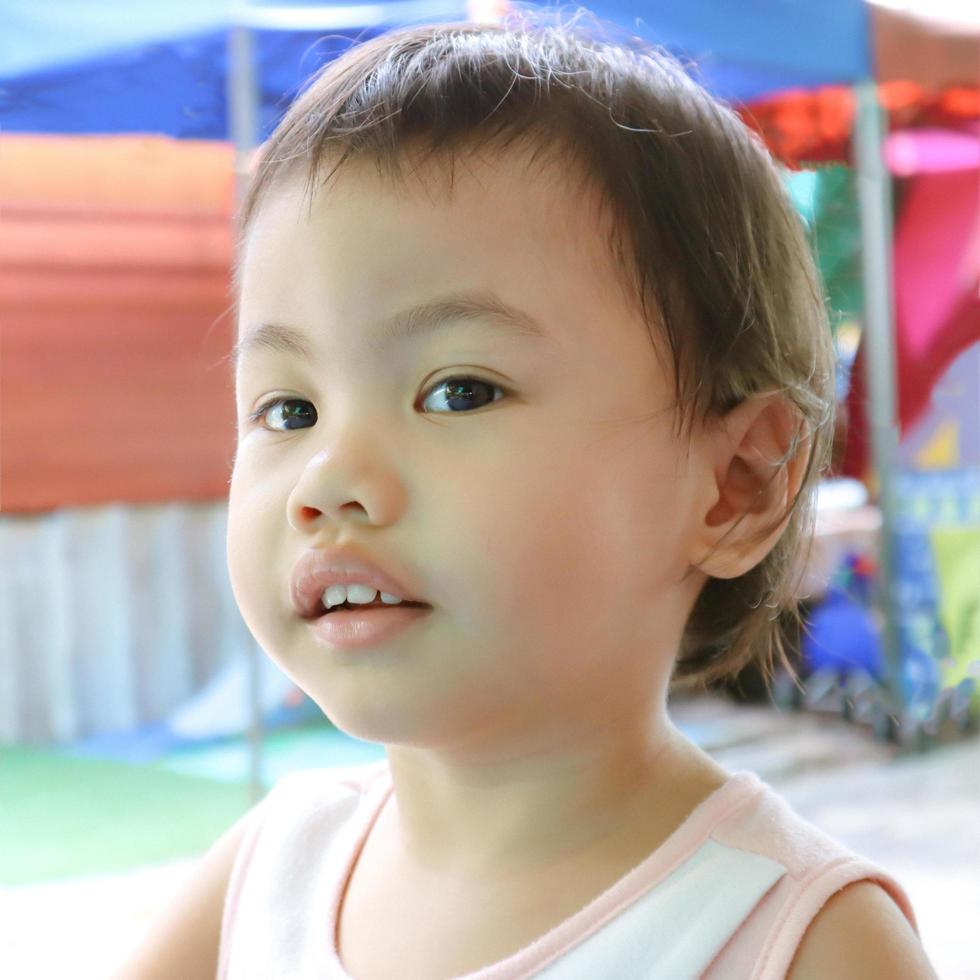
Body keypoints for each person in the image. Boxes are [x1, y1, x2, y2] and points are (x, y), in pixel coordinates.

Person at [113, 8, 938, 979]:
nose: (327, 478)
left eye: (456, 390)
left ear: (732, 484)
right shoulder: (262, 877)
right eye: (288, 408)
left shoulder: (791, 939)